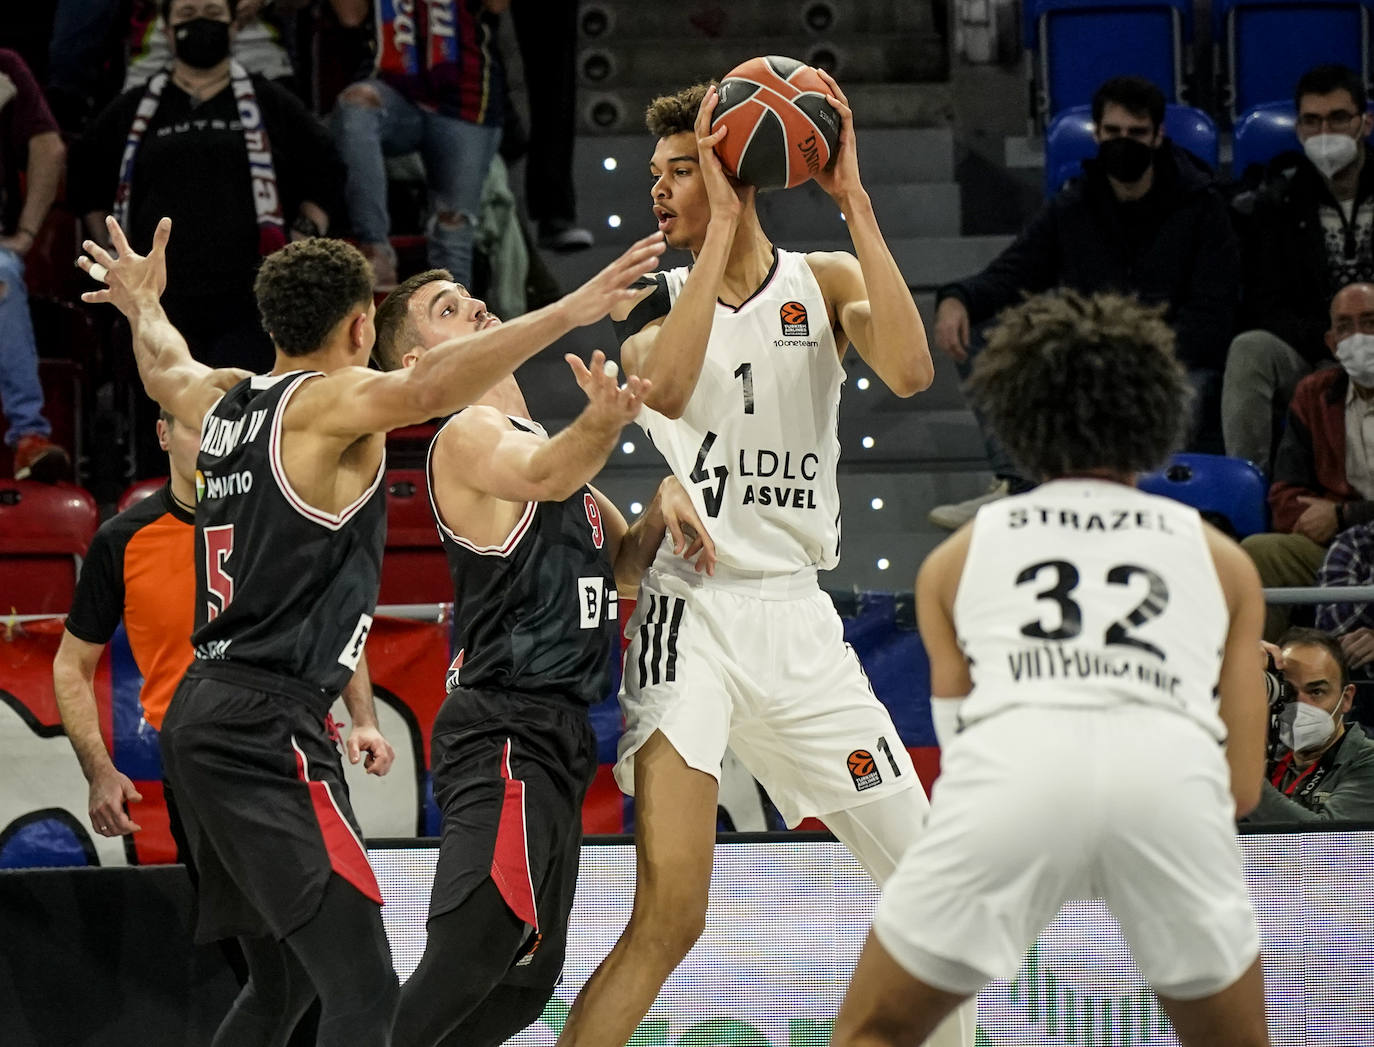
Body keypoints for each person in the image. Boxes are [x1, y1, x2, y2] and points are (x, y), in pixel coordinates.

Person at [77, 213, 664, 1046]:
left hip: (212, 719)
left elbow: (165, 363)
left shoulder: (225, 399)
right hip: (266, 723)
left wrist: (142, 305)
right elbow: (428, 390)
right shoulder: (335, 402)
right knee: (363, 991)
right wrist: (573, 308)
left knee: (282, 988)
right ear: (361, 327)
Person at [554, 78, 976, 1047]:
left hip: (798, 622)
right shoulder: (650, 298)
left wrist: (856, 203)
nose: (657, 191)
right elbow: (665, 384)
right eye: (655, 174)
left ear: (733, 166)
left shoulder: (823, 282)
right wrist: (718, 232)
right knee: (672, 920)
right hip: (690, 617)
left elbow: (912, 372)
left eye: (682, 171)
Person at [832, 289, 1271, 1047]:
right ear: (1157, 415)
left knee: (876, 1032)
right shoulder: (1226, 562)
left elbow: (964, 749)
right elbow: (1240, 785)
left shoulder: (955, 560)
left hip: (1014, 776)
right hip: (1167, 782)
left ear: (1020, 420)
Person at [373, 269, 713, 1046]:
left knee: (525, 982)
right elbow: (549, 472)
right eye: (447, 311)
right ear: (415, 365)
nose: (478, 307)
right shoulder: (465, 434)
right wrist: (605, 422)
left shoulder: (554, 460)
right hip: (503, 731)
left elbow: (621, 567)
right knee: (471, 952)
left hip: (558, 736)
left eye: (471, 297)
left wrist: (663, 499)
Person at [928, 75, 1238, 527]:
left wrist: (1135, 356)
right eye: (1113, 133)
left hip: (1175, 364)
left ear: (1158, 136)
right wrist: (957, 298)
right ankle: (1021, 484)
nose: (1123, 142)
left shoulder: (1203, 208)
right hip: (1089, 359)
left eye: (1135, 134)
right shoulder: (1074, 205)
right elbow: (1013, 272)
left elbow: (1214, 316)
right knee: (983, 330)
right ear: (1097, 135)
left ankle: (1142, 498)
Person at [70, 0, 343, 375]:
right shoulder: (132, 109)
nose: (201, 23)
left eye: (214, 14)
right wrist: (113, 252)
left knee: (244, 417)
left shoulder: (269, 100)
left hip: (252, 300)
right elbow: (86, 176)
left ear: (234, 27)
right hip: (162, 301)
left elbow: (327, 168)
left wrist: (305, 233)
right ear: (165, 30)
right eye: (186, 14)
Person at [53, 410, 198, 840]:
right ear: (163, 434)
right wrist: (99, 770)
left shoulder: (277, 524)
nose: (210, 442)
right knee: (222, 904)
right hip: (191, 759)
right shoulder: (122, 540)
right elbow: (71, 666)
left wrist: (362, 719)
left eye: (221, 427)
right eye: (195, 425)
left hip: (284, 750)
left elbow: (331, 621)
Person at [1224, 64, 1374, 474]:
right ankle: (1246, 491)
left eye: (1338, 117)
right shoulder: (1277, 204)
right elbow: (1264, 303)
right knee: (1250, 348)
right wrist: (1330, 346)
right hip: (1313, 351)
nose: (1325, 132)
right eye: (1313, 120)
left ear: (1365, 122)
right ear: (1299, 130)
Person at [330, 0, 506, 289]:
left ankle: (459, 326)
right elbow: (350, 16)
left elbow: (497, 5)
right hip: (394, 87)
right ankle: (375, 251)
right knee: (357, 106)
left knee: (453, 227)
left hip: (468, 98)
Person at [1242, 281, 1374, 641]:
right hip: (1335, 547)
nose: (1358, 337)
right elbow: (1284, 498)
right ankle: (1263, 681)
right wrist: (1333, 524)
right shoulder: (1313, 394)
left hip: (1345, 527)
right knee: (1259, 552)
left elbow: (1336, 515)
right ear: (1331, 343)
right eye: (1345, 327)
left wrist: (1341, 515)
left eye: (1369, 322)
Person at [0, 47, 71, 481]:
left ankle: (29, 439)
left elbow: (49, 147)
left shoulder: (5, 67)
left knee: (2, 273)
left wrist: (25, 234)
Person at [1243, 628, 1374, 824]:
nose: (1300, 705)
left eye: (1316, 691)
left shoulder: (1366, 761)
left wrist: (1244, 776)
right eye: (1289, 692)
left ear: (1346, 698)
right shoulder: (1269, 758)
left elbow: (1325, 844)